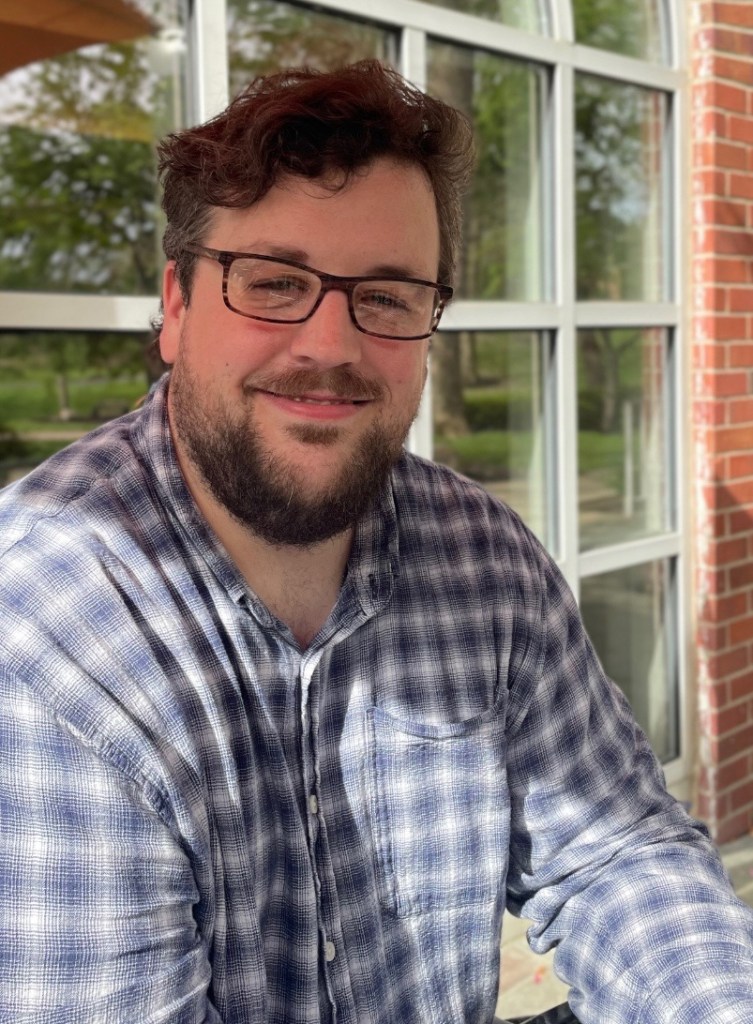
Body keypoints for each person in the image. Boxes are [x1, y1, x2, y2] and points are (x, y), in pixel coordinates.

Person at [0, 59, 751, 1024]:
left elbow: (617, 852)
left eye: (389, 296)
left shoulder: (482, 561)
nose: (330, 346)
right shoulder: (44, 625)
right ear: (176, 307)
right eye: (274, 283)